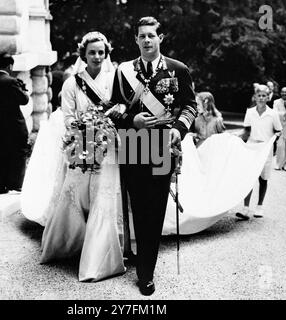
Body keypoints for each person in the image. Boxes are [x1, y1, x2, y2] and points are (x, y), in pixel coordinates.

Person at [27, 32, 126, 282]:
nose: (96, 56)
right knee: (74, 196)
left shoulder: (114, 79)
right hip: (80, 146)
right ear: (84, 54)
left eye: (101, 52)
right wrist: (85, 129)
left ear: (106, 54)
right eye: (92, 52)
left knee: (103, 199)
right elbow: (68, 117)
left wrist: (110, 120)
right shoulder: (72, 83)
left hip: (108, 149)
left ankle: (98, 259)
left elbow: (123, 107)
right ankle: (69, 243)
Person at [109, 16, 197, 295]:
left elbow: (190, 106)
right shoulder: (124, 71)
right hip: (134, 144)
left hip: (161, 145)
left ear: (161, 38)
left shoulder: (177, 69)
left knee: (155, 208)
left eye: (151, 35)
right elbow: (114, 107)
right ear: (136, 40)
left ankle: (146, 273)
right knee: (138, 206)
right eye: (142, 36)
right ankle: (141, 257)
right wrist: (132, 120)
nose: (147, 40)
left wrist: (179, 130)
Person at [0, 52, 30, 195]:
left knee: (0, 155)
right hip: (15, 124)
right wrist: (23, 89)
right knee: (19, 152)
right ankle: (15, 184)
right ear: (10, 65)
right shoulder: (12, 82)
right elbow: (25, 100)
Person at [236, 84, 282, 220]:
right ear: (255, 97)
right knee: (249, 177)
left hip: (265, 148)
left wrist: (276, 137)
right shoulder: (250, 112)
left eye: (264, 96)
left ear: (268, 98)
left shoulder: (272, 113)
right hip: (252, 147)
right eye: (259, 95)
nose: (261, 98)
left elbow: (278, 130)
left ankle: (260, 206)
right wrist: (237, 137)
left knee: (263, 178)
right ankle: (245, 208)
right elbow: (246, 130)